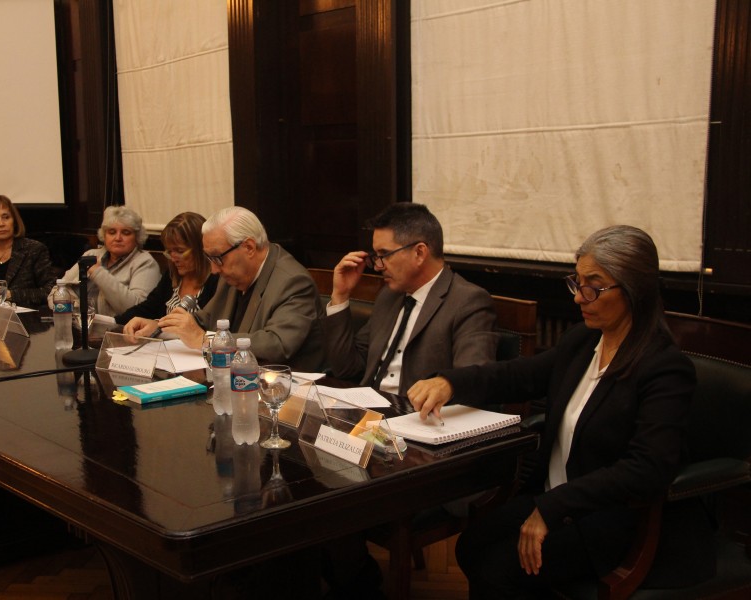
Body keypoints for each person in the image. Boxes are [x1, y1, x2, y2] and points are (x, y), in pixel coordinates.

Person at [408, 225, 709, 597]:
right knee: (470, 546)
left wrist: (552, 507)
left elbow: (647, 468)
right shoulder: (583, 341)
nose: (579, 298)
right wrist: (450, 383)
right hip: (556, 500)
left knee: (497, 569)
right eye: (576, 282)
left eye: (593, 287)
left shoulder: (663, 367)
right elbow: (517, 376)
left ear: (634, 290)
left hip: (609, 518)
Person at [323, 202, 498, 396]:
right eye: (376, 255)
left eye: (384, 254)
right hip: (368, 410)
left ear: (419, 253)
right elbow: (347, 369)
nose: (377, 266)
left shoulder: (468, 301)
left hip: (419, 418)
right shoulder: (389, 296)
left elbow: (472, 385)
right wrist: (340, 295)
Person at [123, 206, 324, 371]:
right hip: (234, 379)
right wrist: (159, 326)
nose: (213, 269)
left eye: (217, 258)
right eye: (209, 259)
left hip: (285, 392)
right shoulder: (232, 273)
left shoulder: (293, 282)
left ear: (249, 247)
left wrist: (205, 339)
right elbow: (206, 319)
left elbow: (277, 344)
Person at [115, 212, 218, 325]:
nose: (173, 259)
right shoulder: (171, 276)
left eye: (180, 251)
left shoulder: (216, 281)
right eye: (170, 252)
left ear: (201, 249)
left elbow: (211, 325)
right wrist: (114, 323)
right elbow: (148, 308)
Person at [55, 205, 161, 316]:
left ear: (137, 237)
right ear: (104, 235)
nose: (118, 238)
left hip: (120, 331)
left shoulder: (145, 263)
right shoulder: (91, 255)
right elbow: (57, 292)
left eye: (126, 233)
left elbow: (137, 310)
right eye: (112, 232)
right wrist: (76, 309)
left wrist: (98, 272)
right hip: (80, 325)